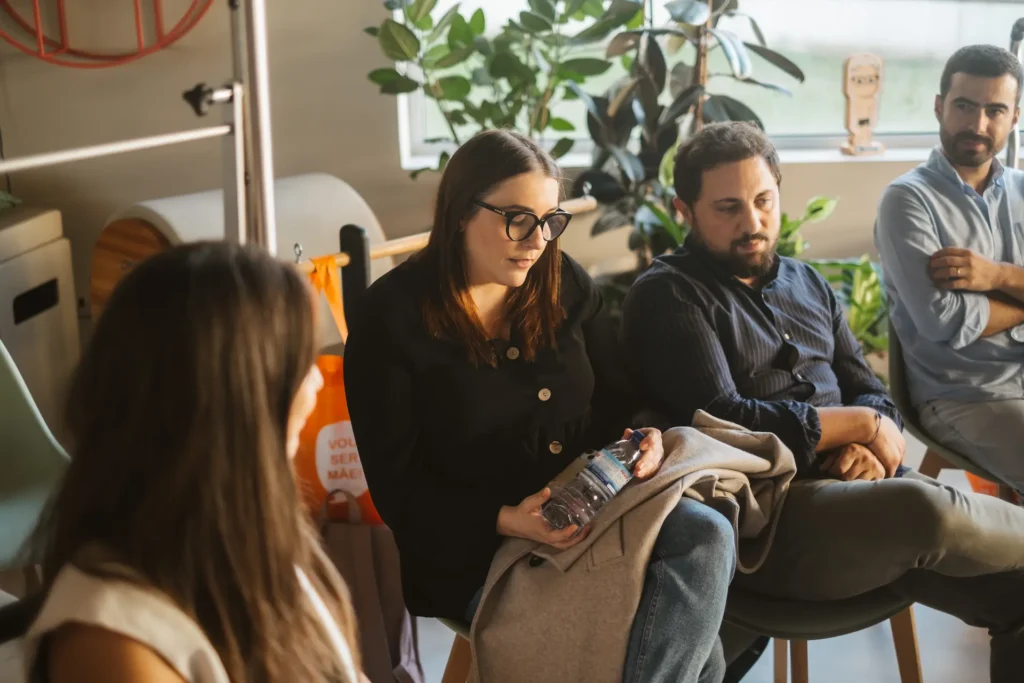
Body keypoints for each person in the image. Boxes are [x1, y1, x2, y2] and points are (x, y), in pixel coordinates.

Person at [621, 121, 1024, 682]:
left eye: (764, 201)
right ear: (684, 210)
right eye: (728, 208)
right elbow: (726, 420)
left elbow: (873, 391)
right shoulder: (668, 294)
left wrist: (873, 442)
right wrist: (857, 424)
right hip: (773, 521)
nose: (753, 224)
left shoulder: (808, 282)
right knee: (927, 509)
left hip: (868, 497)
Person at [344, 129, 736, 683]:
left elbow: (624, 397)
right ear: (460, 213)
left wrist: (643, 437)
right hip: (478, 548)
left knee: (705, 534)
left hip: (590, 509)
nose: (537, 241)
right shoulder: (391, 320)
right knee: (698, 649)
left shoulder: (563, 282)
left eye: (550, 221)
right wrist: (505, 518)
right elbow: (397, 489)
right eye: (517, 218)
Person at [20, 242, 365, 683]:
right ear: (234, 405)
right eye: (297, 365)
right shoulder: (113, 643)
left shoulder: (255, 538)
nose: (316, 379)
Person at [874, 44, 1024, 492]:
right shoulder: (907, 200)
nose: (978, 125)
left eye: (995, 110)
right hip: (965, 396)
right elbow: (944, 321)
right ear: (940, 107)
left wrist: (996, 277)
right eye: (964, 106)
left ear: (1014, 118)